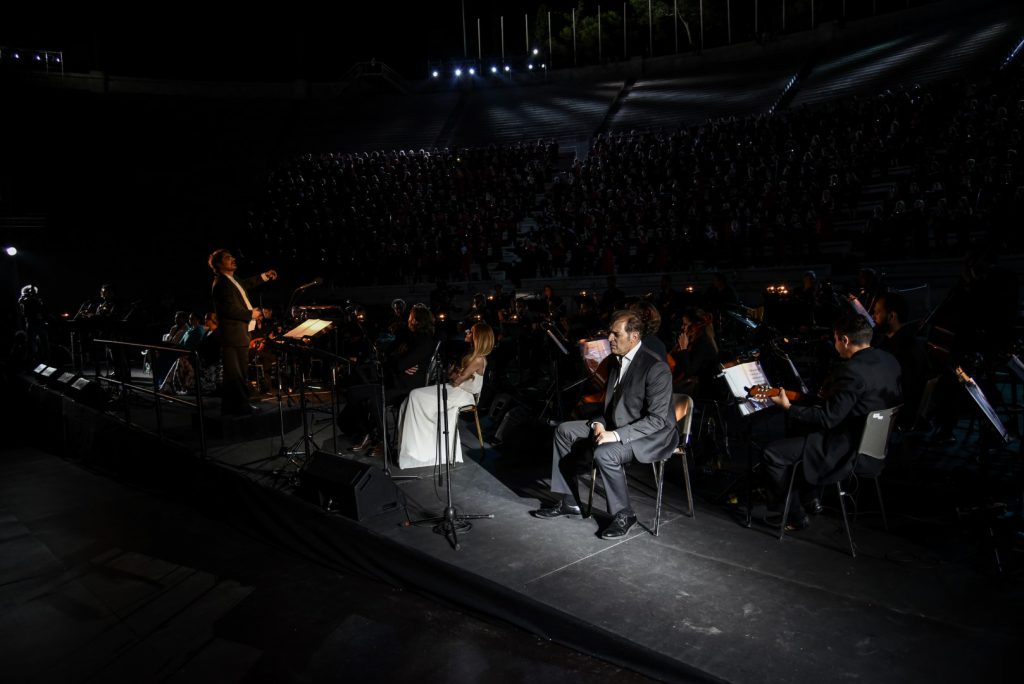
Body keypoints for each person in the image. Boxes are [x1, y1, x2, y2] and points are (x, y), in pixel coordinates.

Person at [533, 310, 677, 539]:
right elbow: (609, 408)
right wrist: (598, 425)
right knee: (563, 430)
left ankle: (624, 514)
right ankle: (570, 501)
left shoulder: (655, 367)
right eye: (610, 332)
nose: (609, 338)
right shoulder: (614, 361)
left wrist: (616, 435)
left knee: (605, 453)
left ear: (634, 336)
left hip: (652, 434)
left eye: (615, 334)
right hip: (617, 424)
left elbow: (658, 420)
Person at [761, 314, 902, 531]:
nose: (835, 345)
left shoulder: (851, 371)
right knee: (801, 437)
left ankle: (794, 515)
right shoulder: (889, 360)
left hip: (847, 450)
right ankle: (810, 497)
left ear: (844, 340)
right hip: (876, 445)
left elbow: (827, 419)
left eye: (836, 339)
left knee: (774, 453)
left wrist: (789, 408)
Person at [396, 322, 494, 469]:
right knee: (412, 397)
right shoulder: (471, 355)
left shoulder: (478, 359)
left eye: (471, 332)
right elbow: (455, 378)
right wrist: (452, 373)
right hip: (456, 390)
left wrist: (451, 372)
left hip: (463, 395)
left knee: (416, 395)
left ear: (477, 337)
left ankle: (419, 451)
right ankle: (413, 447)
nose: (467, 332)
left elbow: (456, 380)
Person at [208, 249, 277, 416]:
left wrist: (264, 276)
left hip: (239, 332)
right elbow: (227, 310)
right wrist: (250, 314)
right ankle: (239, 406)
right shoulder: (221, 283)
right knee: (236, 373)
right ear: (218, 264)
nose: (232, 259)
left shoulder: (231, 280)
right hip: (233, 334)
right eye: (227, 258)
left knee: (238, 372)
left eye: (232, 256)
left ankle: (234, 406)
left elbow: (246, 284)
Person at [668, 307, 719, 397]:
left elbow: (690, 370)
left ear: (695, 325)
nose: (682, 327)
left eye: (685, 324)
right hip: (689, 386)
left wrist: (683, 348)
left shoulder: (703, 342)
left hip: (700, 390)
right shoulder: (694, 339)